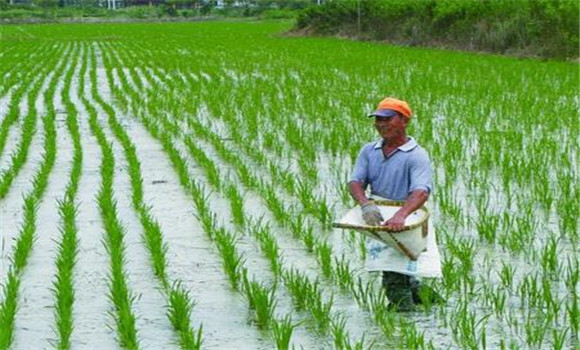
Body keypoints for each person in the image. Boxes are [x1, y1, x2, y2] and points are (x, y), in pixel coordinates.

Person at [349, 97, 443, 312]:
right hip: (379, 217)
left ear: (404, 120)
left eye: (387, 119)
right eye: (378, 120)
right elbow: (355, 182)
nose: (381, 124)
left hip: (407, 219)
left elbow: (420, 192)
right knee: (401, 275)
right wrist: (365, 204)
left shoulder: (417, 155)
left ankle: (403, 325)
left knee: (393, 276)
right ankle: (438, 310)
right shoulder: (369, 151)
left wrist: (401, 215)